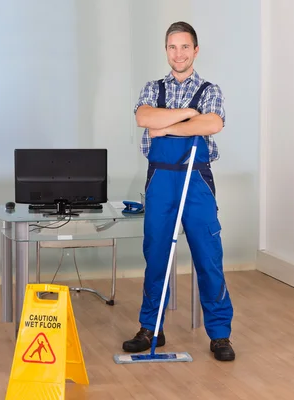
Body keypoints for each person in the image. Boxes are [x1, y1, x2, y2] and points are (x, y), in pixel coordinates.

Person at [122, 21, 235, 361]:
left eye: (185, 47)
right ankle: (151, 327)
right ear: (166, 49)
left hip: (196, 181)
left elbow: (213, 123)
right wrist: (188, 116)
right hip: (160, 182)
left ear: (195, 50)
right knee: (156, 254)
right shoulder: (152, 88)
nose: (179, 53)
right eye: (173, 47)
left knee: (208, 257)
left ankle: (219, 334)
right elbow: (144, 118)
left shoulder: (210, 89)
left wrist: (166, 126)